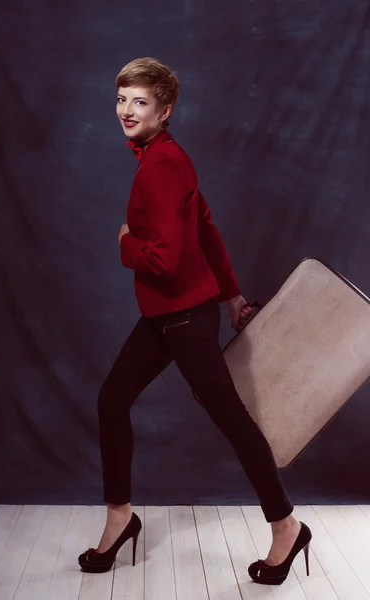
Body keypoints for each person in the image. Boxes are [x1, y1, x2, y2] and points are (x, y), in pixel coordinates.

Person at [78, 57, 312, 585]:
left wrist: (125, 244)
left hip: (182, 317)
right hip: (171, 315)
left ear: (165, 109)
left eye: (139, 101)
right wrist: (232, 295)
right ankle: (121, 518)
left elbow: (164, 258)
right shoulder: (168, 157)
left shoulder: (161, 164)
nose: (126, 110)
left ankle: (286, 527)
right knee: (113, 398)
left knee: (230, 417)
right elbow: (206, 229)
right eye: (121, 99)